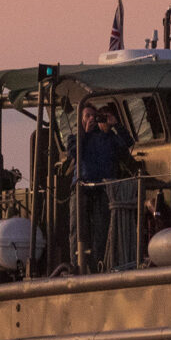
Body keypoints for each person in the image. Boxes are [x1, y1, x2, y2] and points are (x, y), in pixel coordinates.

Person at [72, 101, 133, 270]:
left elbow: (128, 142)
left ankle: (99, 266)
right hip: (82, 188)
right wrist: (84, 133)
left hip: (103, 189)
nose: (92, 119)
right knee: (78, 230)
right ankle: (75, 267)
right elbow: (74, 151)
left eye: (95, 116)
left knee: (101, 230)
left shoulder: (110, 139)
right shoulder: (77, 137)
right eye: (88, 116)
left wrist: (116, 124)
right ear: (81, 119)